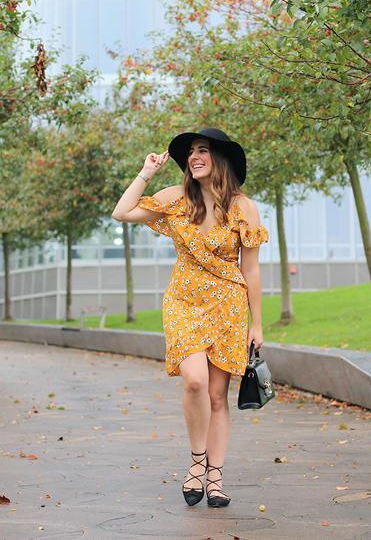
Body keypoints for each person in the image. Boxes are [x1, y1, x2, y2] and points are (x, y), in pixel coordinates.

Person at [112, 128, 269, 508]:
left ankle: (215, 476)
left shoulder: (243, 208)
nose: (195, 156)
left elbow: (251, 271)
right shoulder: (178, 198)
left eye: (204, 150)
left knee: (218, 396)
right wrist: (147, 171)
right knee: (195, 381)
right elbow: (122, 212)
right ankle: (197, 462)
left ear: (222, 159)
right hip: (184, 301)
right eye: (192, 152)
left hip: (229, 306)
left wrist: (257, 324)